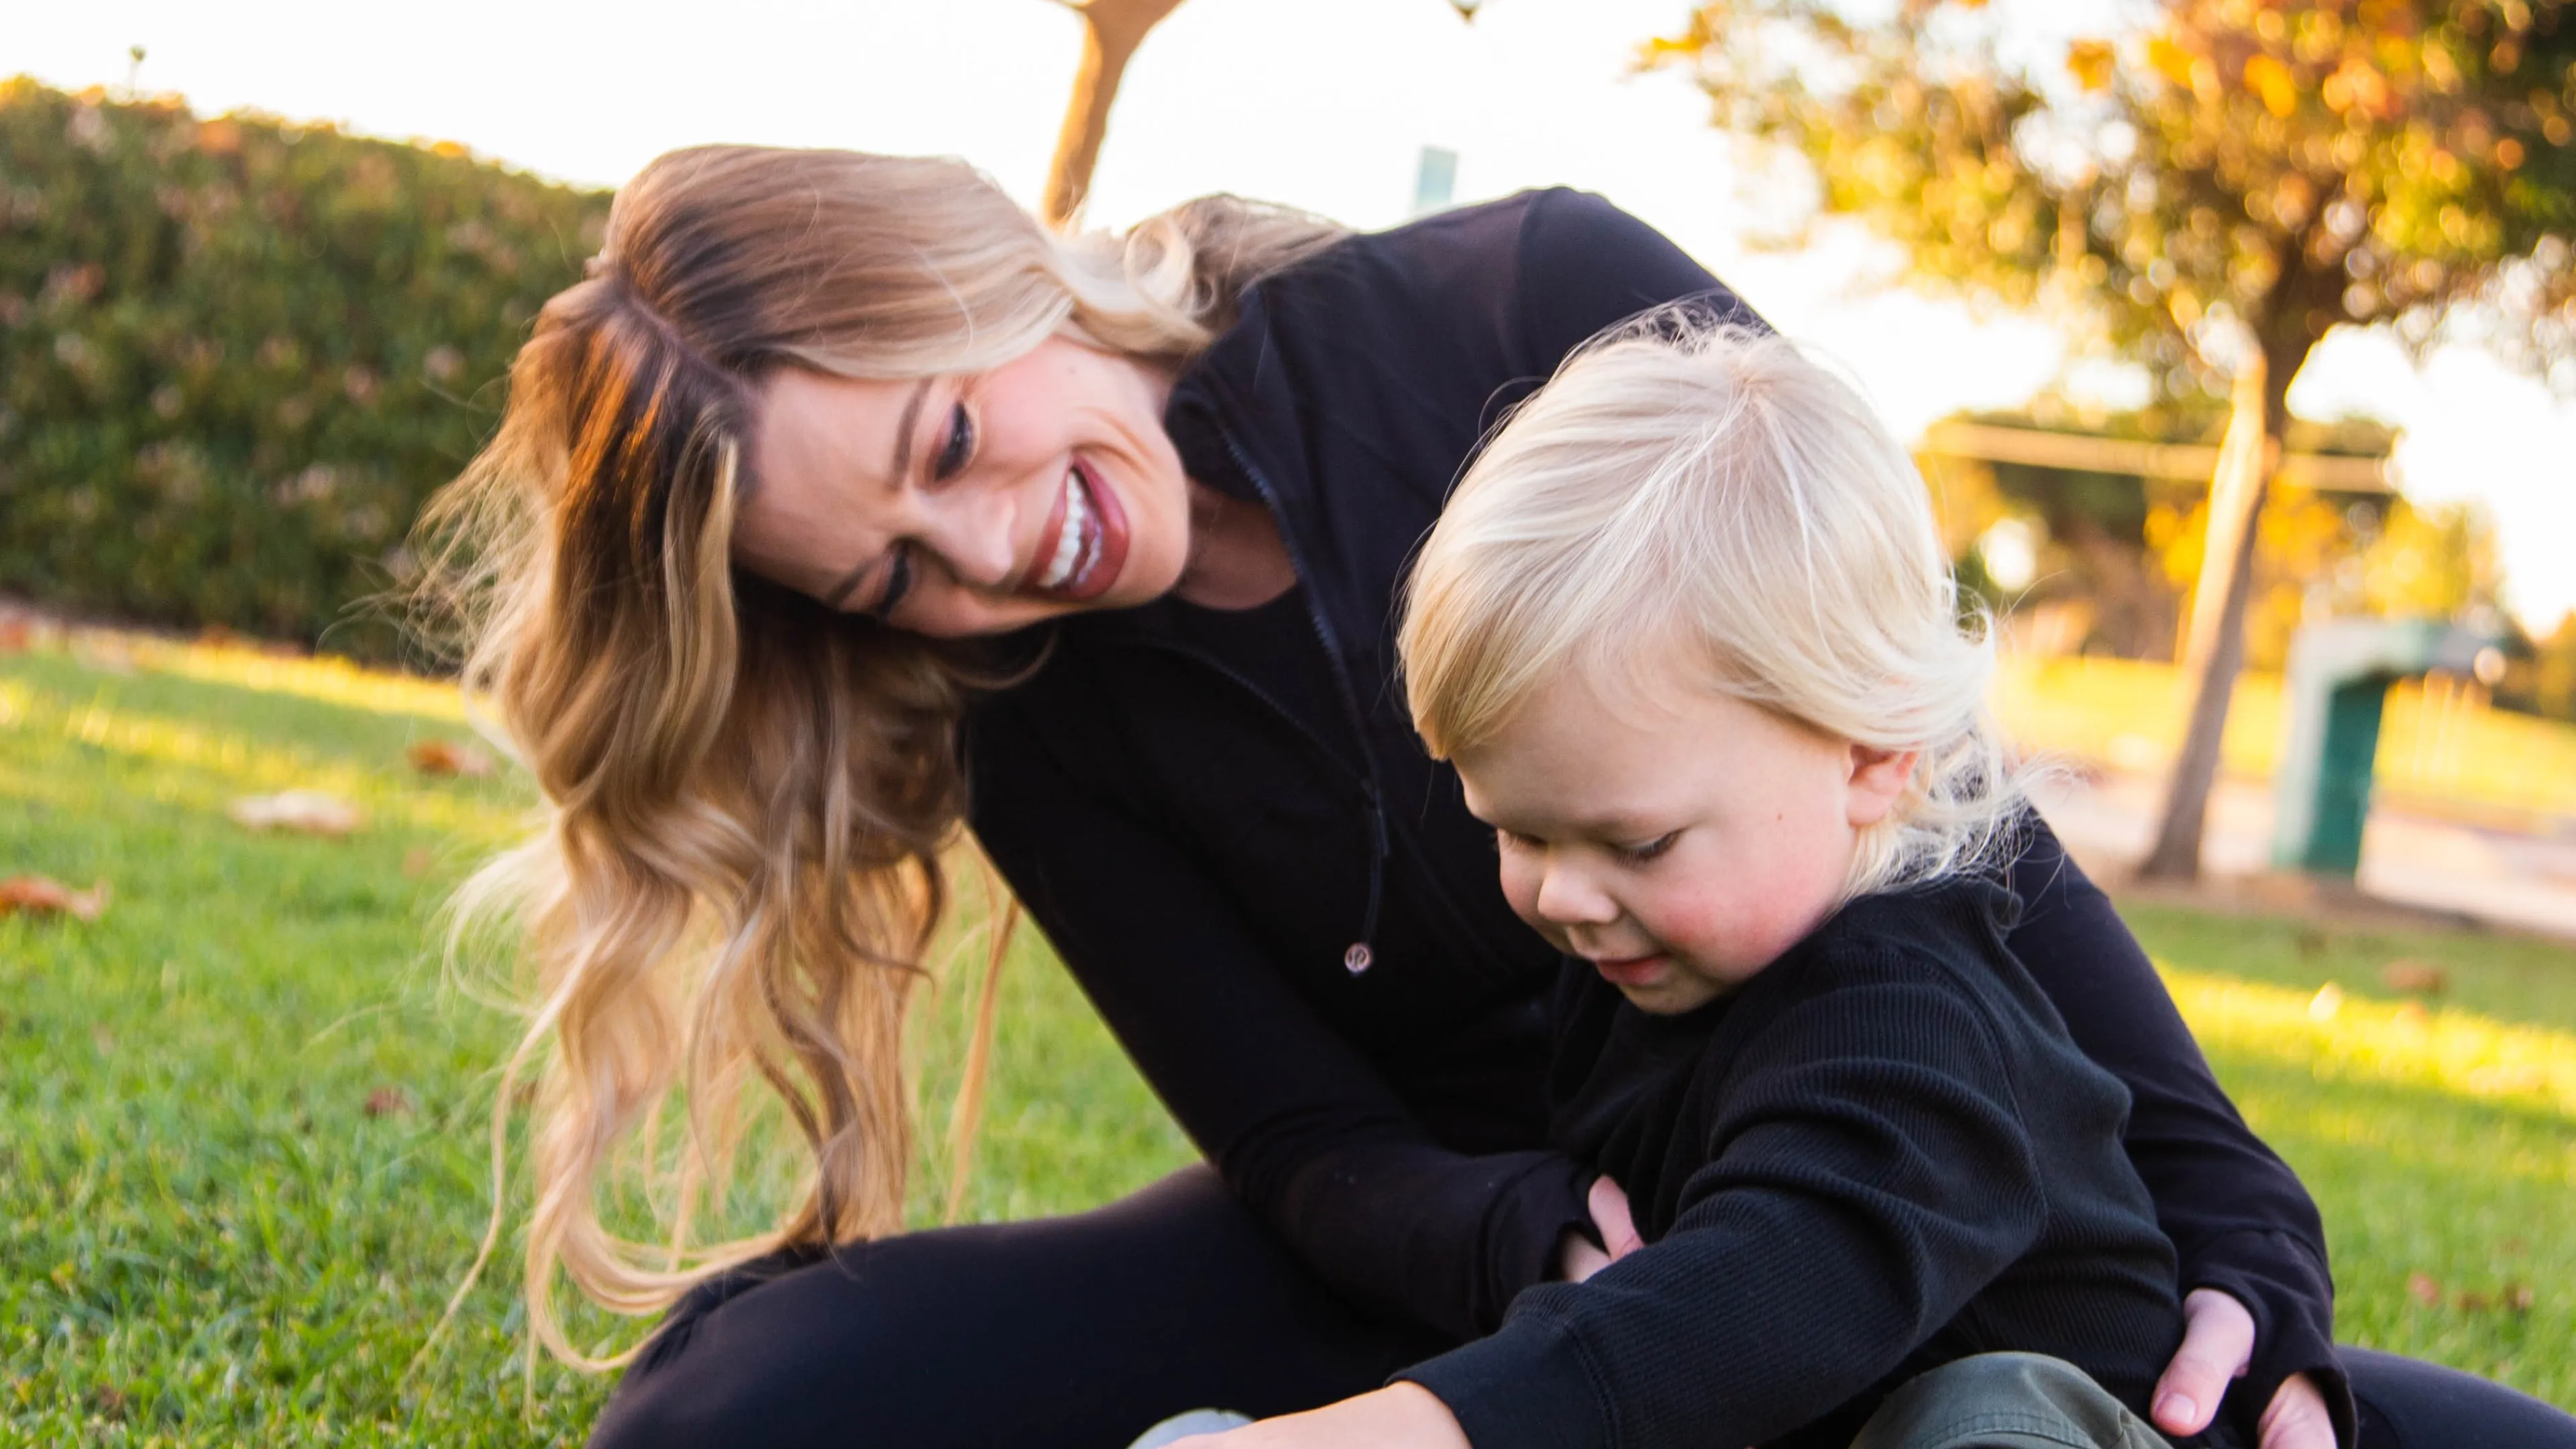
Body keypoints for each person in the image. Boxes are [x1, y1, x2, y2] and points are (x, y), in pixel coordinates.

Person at [415, 144, 2573, 1449]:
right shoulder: (1026, 705)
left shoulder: (1524, 299)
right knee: (747, 1412)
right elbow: (1293, 1137)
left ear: (979, 277)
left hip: (1857, 1170)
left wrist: (2231, 1203)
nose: (988, 561)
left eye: (949, 448)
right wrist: (1518, 1245)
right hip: (1496, 1255)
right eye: (889, 574)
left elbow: (1923, 763)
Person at [1171, 319, 2203, 1449]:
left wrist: (1425, 1430)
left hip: (2062, 1430)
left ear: (1869, 757)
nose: (1563, 896)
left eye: (1640, 844)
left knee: (1984, 1416)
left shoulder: (1917, 1027)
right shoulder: (1650, 966)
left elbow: (1737, 1313)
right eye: (1516, 833)